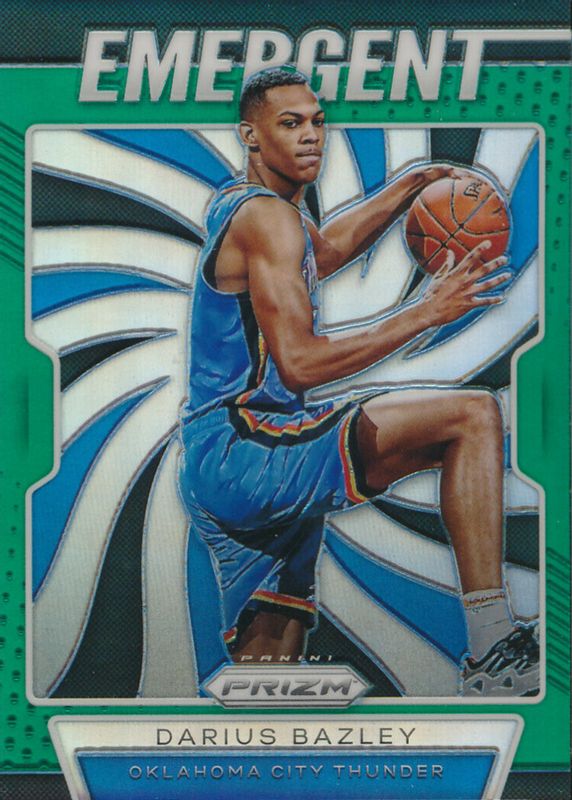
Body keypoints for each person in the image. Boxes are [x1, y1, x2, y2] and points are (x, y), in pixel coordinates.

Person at [178, 68, 539, 697]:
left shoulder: (243, 206)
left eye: (318, 122)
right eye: (291, 123)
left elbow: (321, 252)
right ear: (250, 134)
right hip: (249, 448)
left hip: (217, 461)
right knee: (472, 417)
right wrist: (426, 312)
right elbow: (301, 365)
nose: (311, 135)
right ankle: (492, 647)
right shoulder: (269, 219)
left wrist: (409, 186)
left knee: (268, 680)